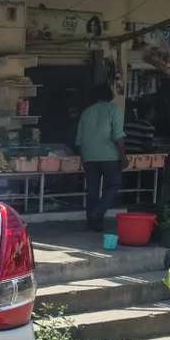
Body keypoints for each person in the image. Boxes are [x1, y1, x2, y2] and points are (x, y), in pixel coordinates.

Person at [75, 84, 125, 232]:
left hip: (89, 156)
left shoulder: (86, 112)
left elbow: (79, 140)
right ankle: (99, 210)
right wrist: (123, 156)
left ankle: (94, 222)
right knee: (113, 185)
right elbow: (118, 136)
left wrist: (83, 158)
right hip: (109, 156)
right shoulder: (113, 109)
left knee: (92, 190)